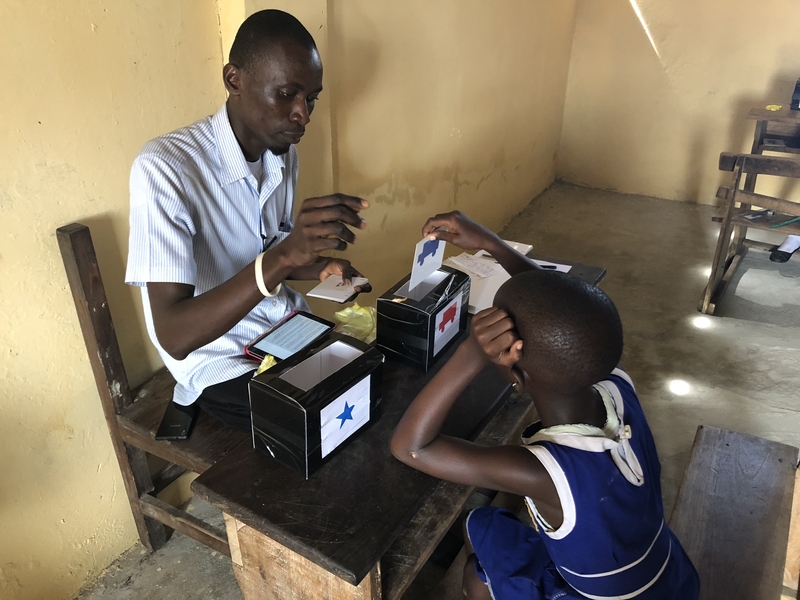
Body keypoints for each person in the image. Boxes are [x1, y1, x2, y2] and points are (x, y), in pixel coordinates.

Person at [390, 215, 699, 599]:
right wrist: (493, 243)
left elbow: (411, 447)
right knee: (485, 524)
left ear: (516, 378)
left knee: (476, 574)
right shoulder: (616, 382)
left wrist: (471, 352)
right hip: (665, 576)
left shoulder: (546, 472)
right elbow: (561, 308)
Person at [125, 10, 368, 430]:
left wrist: (315, 265)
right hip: (222, 359)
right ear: (233, 79)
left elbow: (269, 252)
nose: (303, 115)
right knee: (331, 427)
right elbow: (175, 335)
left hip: (284, 328)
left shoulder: (281, 154)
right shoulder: (166, 168)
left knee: (377, 376)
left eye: (310, 98)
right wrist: (287, 256)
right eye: (287, 94)